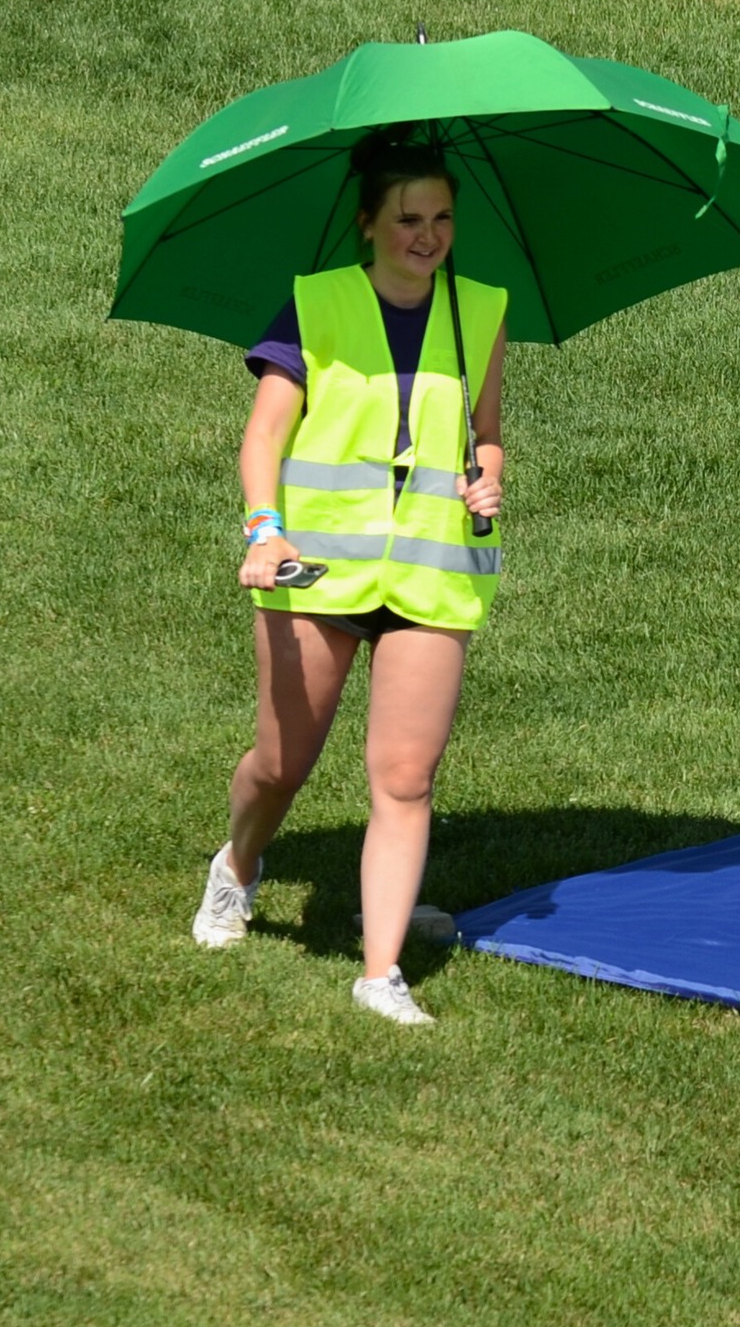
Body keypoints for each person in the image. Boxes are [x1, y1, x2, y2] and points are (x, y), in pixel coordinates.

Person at [190, 131, 507, 1026]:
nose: (428, 234)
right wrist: (263, 529)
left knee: (406, 778)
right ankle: (239, 868)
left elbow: (486, 431)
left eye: (442, 217)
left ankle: (380, 973)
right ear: (367, 223)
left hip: (432, 575)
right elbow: (265, 435)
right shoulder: (313, 305)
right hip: (316, 573)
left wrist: (490, 471)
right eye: (408, 218)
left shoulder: (480, 311)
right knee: (282, 764)